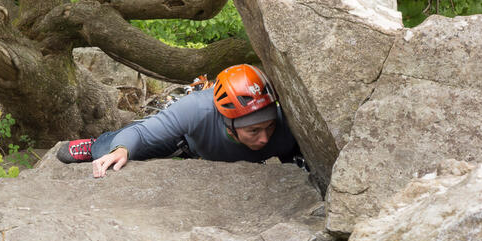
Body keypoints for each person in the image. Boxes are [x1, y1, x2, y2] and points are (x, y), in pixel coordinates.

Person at [57, 64, 301, 178]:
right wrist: (120, 149)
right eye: (254, 130)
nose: (265, 137)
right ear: (228, 122)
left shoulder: (286, 131)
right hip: (186, 144)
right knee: (113, 153)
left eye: (269, 127)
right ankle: (95, 145)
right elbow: (143, 133)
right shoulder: (196, 109)